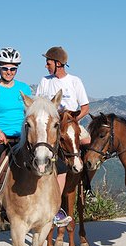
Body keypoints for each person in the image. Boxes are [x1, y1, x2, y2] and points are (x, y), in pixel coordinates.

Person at [0, 47, 71, 228]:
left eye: (13, 69)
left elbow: (34, 114)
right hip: (1, 137)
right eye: (5, 68)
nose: (9, 72)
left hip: (24, 138)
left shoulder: (24, 88)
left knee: (60, 166)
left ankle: (56, 208)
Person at [36, 45, 89, 217]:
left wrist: (72, 123)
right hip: (52, 126)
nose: (46, 66)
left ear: (58, 63)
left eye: (48, 62)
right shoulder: (45, 81)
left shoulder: (75, 81)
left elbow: (85, 107)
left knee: (88, 143)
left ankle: (86, 182)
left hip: (71, 124)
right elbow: (39, 104)